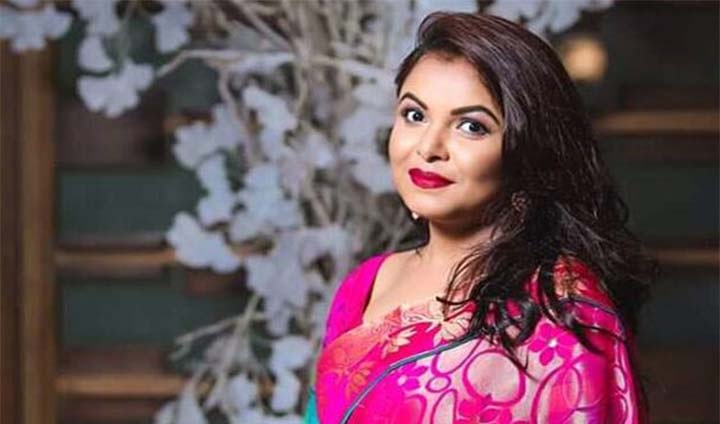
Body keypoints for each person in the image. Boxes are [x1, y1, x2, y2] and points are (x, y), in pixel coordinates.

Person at [305, 11, 658, 424]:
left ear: (526, 152)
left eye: (471, 126)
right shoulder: (366, 284)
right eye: (414, 115)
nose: (429, 147)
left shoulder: (560, 307)